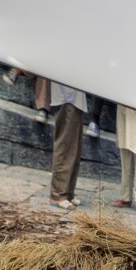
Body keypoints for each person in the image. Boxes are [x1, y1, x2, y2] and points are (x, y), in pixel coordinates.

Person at [49, 81, 88, 210]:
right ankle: (58, 195)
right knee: (65, 146)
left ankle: (68, 193)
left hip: (76, 98)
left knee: (74, 150)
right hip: (67, 97)